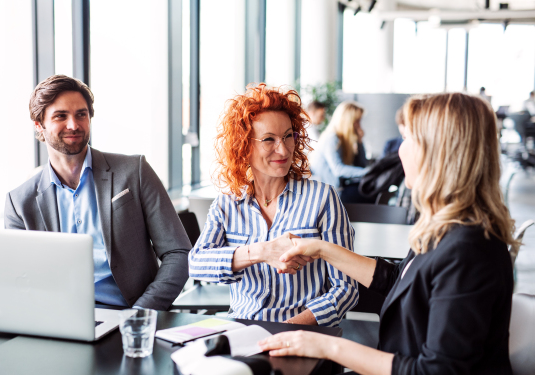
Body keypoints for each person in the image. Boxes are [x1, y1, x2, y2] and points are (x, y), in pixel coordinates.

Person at [259, 93, 517, 374]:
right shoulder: (447, 226)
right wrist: (323, 249)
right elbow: (401, 281)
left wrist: (326, 346)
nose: (399, 152)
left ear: (438, 152)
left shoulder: (468, 250)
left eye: (407, 139)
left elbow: (437, 371)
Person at [5, 75, 191, 310]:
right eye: (61, 116)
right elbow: (20, 280)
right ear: (39, 125)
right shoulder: (19, 203)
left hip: (133, 315)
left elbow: (179, 253)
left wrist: (139, 315)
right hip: (59, 321)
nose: (73, 125)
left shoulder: (135, 172)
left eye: (81, 114)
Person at [188, 84, 358, 327]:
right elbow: (196, 264)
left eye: (289, 136)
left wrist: (288, 329)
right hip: (242, 329)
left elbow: (345, 290)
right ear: (244, 146)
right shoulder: (228, 202)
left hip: (303, 333)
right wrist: (261, 252)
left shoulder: (323, 199)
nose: (284, 148)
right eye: (269, 139)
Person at [310, 101, 370, 203]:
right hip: (329, 193)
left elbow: (361, 165)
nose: (359, 125)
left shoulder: (344, 140)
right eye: (357, 121)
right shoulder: (332, 138)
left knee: (369, 190)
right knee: (369, 193)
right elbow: (338, 169)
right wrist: (369, 172)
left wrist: (360, 142)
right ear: (348, 121)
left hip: (338, 189)